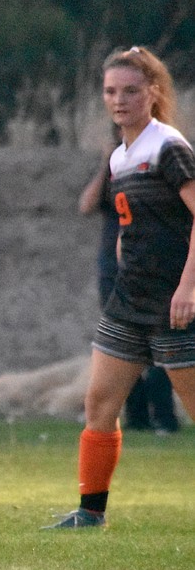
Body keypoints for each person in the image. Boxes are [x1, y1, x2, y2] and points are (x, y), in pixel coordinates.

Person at [47, 46, 194, 529]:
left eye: (130, 90)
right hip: (128, 304)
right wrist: (123, 262)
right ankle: (91, 513)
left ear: (153, 93)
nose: (119, 100)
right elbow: (129, 225)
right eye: (111, 91)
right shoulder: (119, 156)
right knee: (99, 405)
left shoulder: (168, 147)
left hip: (175, 305)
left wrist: (188, 288)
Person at [79, 150, 179, 434]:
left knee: (160, 342)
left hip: (154, 272)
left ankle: (164, 416)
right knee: (123, 344)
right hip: (113, 274)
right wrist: (105, 165)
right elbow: (86, 205)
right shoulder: (114, 172)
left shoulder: (156, 174)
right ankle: (137, 418)